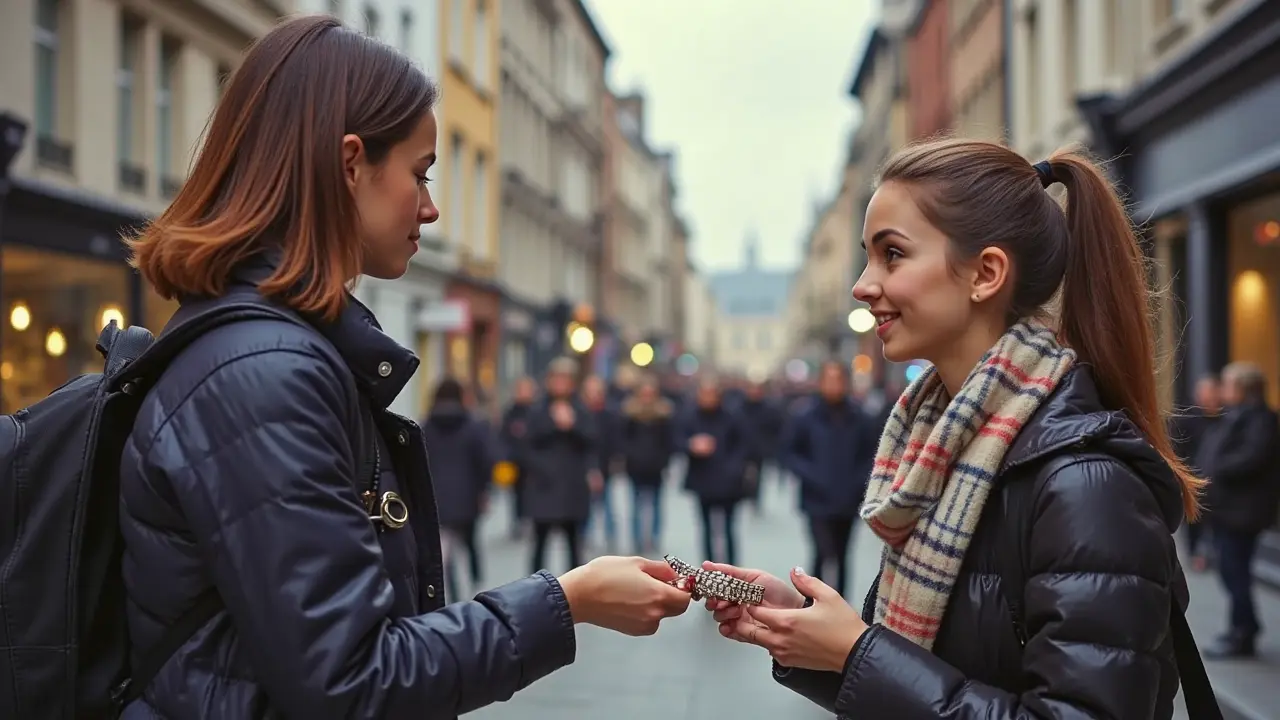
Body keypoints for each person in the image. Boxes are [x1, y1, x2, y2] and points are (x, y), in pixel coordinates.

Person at [118, 16, 690, 719]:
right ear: (350, 163)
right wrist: (566, 603)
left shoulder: (267, 354)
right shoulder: (264, 374)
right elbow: (353, 680)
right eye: (419, 174)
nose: (430, 206)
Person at [703, 138, 1205, 718]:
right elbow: (935, 669)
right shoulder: (943, 448)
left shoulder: (1085, 486)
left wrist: (857, 651)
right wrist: (811, 632)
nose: (862, 286)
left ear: (985, 274)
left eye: (892, 255)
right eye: (867, 256)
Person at [1196, 361, 1279, 658]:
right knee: (1231, 571)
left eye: (1229, 384)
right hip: (1228, 510)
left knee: (1235, 572)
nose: (1224, 389)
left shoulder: (1260, 419)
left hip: (1243, 512)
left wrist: (1218, 469)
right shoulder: (1236, 416)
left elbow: (1251, 458)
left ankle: (1243, 633)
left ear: (1243, 388)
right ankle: (1241, 628)